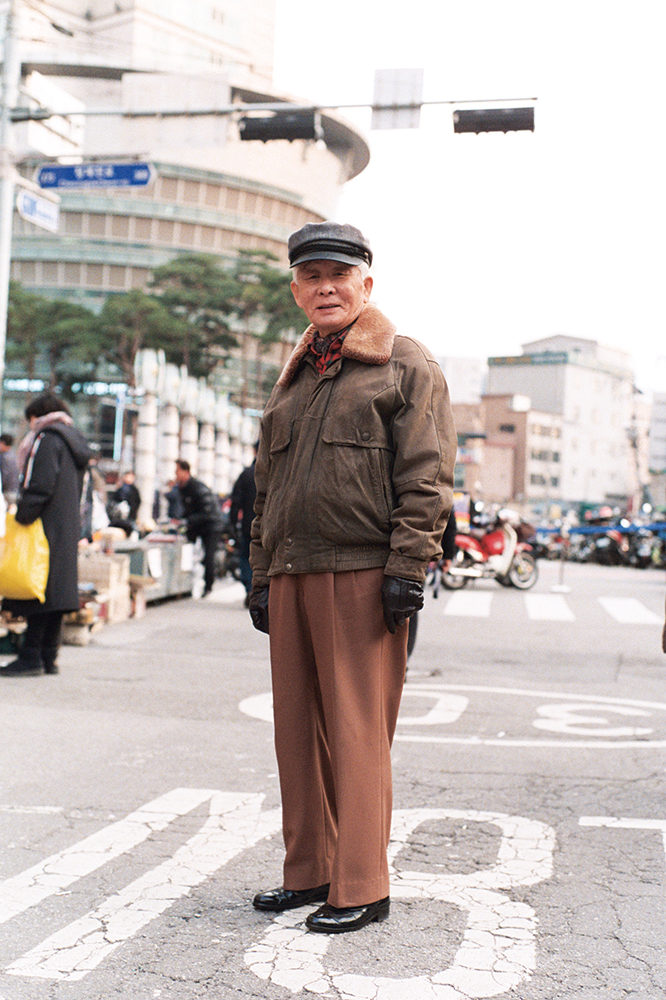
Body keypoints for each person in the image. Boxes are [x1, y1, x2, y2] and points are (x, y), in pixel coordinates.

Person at [248, 221, 456, 933]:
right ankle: (309, 871)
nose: (325, 285)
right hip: (294, 572)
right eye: (311, 275)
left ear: (366, 283)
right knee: (297, 732)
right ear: (298, 288)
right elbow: (267, 488)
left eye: (339, 273)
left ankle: (363, 883)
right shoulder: (296, 373)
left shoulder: (404, 363)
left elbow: (426, 475)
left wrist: (408, 568)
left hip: (365, 573)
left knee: (358, 731)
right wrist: (259, 574)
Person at [0, 391, 91, 677]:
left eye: (30, 420)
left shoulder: (47, 439)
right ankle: (49, 657)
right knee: (57, 595)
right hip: (66, 526)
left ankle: (30, 657)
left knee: (38, 592)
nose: (30, 426)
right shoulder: (74, 439)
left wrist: (23, 514)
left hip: (43, 527)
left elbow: (40, 484)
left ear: (38, 415)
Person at [175, 459, 223, 597]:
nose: (175, 475)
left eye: (177, 471)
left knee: (209, 556)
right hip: (199, 525)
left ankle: (208, 586)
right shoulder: (183, 488)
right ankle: (188, 585)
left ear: (186, 472)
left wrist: (186, 520)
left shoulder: (197, 487)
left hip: (212, 525)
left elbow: (207, 512)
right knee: (191, 553)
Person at [228, 444, 257, 604]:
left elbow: (235, 501)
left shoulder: (246, 474)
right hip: (269, 527)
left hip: (248, 525)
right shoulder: (275, 473)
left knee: (246, 556)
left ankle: (250, 588)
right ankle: (260, 591)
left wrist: (233, 525)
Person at [0, 433, 20, 505]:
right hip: (14, 491)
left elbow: (3, 476)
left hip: (7, 493)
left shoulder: (5, 457)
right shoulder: (13, 455)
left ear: (3, 443)